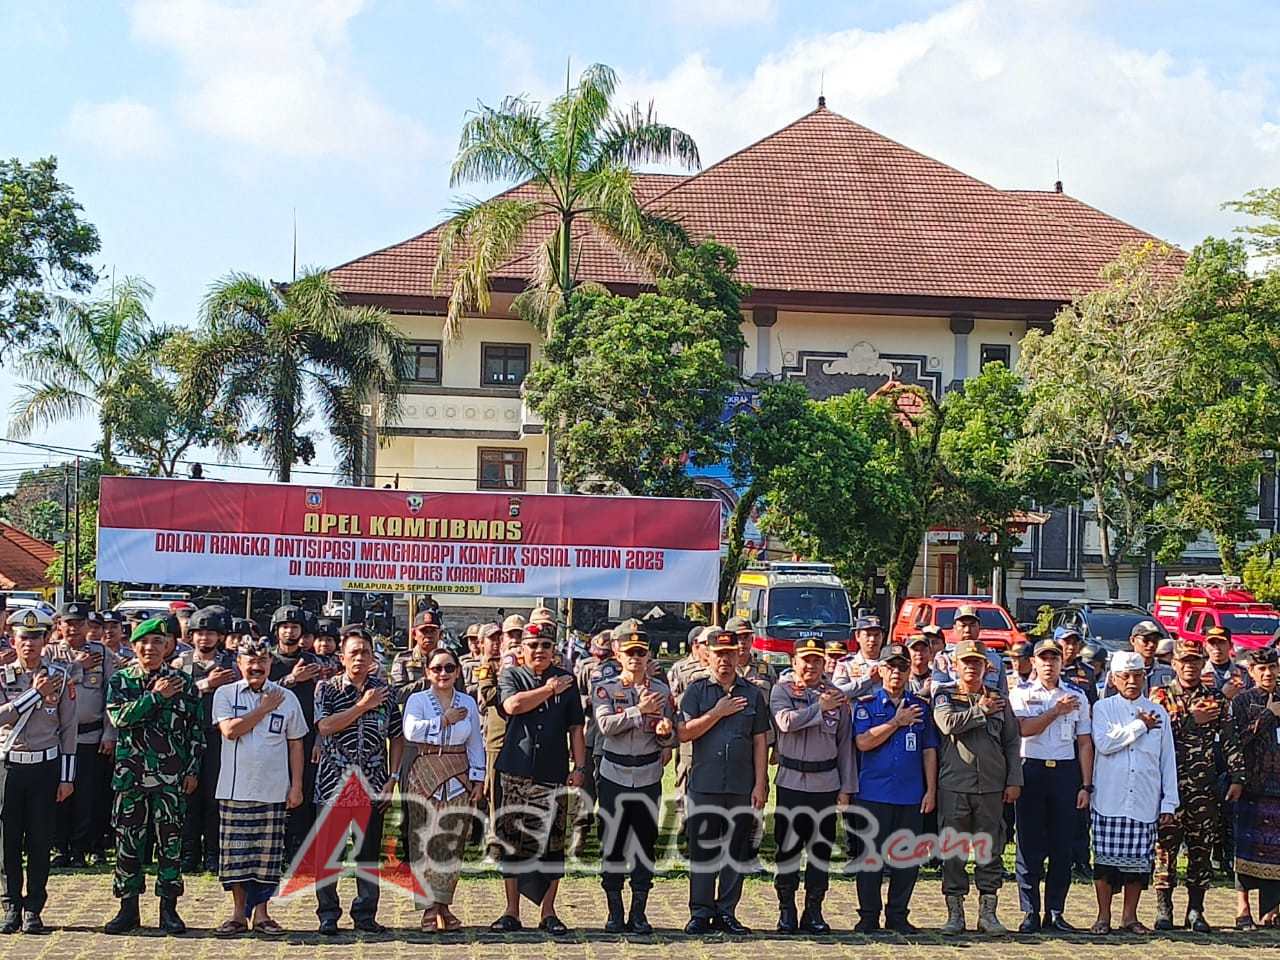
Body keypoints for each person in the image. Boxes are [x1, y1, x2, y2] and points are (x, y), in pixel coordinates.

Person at [104, 617, 204, 936]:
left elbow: (195, 732)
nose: (150, 648)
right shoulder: (121, 680)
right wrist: (156, 697)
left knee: (170, 845)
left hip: (170, 778)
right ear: (134, 646)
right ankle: (128, 909)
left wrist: (192, 771)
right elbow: (120, 718)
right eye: (144, 643)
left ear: (168, 646)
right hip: (131, 776)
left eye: (158, 642)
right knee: (128, 844)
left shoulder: (183, 683)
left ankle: (169, 909)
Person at [490, 621, 585, 935]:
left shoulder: (567, 681)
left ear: (553, 649)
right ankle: (511, 911)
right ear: (521, 650)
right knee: (512, 842)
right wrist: (548, 690)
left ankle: (548, 912)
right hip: (516, 769)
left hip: (553, 771)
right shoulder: (512, 676)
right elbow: (512, 705)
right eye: (532, 645)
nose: (539, 650)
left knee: (553, 843)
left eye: (545, 645)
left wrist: (580, 768)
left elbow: (576, 727)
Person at [210, 637, 306, 937]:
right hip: (235, 790)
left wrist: (296, 786)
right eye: (250, 661)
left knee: (267, 859)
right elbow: (230, 730)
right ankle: (238, 915)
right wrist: (263, 709)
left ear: (270, 663)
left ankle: (263, 915)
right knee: (236, 858)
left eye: (262, 661)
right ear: (239, 663)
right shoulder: (225, 694)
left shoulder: (286, 697)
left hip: (273, 789)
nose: (256, 666)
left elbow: (296, 744)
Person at [313, 625, 404, 935]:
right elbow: (325, 726)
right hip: (334, 785)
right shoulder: (327, 689)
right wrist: (363, 705)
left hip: (373, 785)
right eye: (354, 652)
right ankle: (328, 914)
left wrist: (393, 777)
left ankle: (366, 914)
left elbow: (397, 736)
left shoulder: (386, 691)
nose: (360, 657)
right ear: (342, 657)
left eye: (365, 652)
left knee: (367, 854)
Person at [678, 628, 770, 936]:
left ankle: (727, 911)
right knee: (703, 851)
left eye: (730, 654)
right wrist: (717, 713)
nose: (725, 660)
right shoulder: (697, 690)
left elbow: (760, 740)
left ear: (738, 656)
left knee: (736, 850)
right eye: (719, 654)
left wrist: (760, 783)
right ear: (707, 655)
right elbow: (684, 733)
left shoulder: (752, 693)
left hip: (741, 784)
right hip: (705, 783)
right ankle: (700, 912)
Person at [1150, 639, 1245, 932]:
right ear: (1173, 664)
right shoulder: (1160, 696)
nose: (1189, 666)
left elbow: (1230, 739)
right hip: (1169, 787)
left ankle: (1196, 910)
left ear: (1202, 664)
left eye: (1194, 661)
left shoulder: (1215, 698)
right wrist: (1191, 719)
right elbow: (1155, 733)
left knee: (1201, 850)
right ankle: (1164, 909)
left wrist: (1237, 777)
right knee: (1165, 849)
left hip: (1204, 787)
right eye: (1184, 661)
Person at [932, 638, 1022, 936]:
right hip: (955, 785)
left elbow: (1012, 741)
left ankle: (988, 913)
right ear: (955, 666)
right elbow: (947, 724)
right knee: (953, 851)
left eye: (977, 662)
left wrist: (1014, 779)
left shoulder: (999, 698)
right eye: (966, 662)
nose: (971, 667)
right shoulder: (945, 696)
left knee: (990, 850)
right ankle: (955, 913)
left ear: (987, 666)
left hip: (992, 787)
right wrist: (981, 711)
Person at [593, 626, 677, 934]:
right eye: (630, 653)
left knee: (644, 844)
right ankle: (614, 912)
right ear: (618, 655)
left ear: (649, 655)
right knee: (612, 843)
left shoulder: (662, 691)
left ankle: (638, 913)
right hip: (614, 774)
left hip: (647, 775)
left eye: (641, 653)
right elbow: (605, 725)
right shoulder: (605, 688)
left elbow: (670, 737)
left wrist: (666, 734)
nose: (635, 658)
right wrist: (639, 711)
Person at [1089, 651, 1179, 936]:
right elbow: (1105, 744)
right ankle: (1103, 916)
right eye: (1125, 676)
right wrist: (1141, 726)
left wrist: (1169, 801)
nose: (1132, 681)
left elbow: (1167, 759)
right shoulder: (1103, 708)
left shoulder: (1157, 711)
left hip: (1144, 798)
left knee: (1138, 865)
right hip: (1109, 797)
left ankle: (1129, 917)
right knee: (1105, 862)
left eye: (1138, 676)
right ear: (1114, 679)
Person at [770, 637, 855, 934]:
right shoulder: (782, 690)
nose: (811, 665)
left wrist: (846, 787)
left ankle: (814, 910)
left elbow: (845, 745)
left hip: (825, 783)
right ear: (794, 662)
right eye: (805, 660)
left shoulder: (836, 697)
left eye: (817, 660)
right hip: (791, 781)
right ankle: (786, 909)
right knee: (788, 848)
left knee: (820, 850)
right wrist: (819, 707)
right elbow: (786, 722)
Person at [1008, 636, 1094, 933]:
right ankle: (1030, 911)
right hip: (1031, 770)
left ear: (1061, 663)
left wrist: (1086, 785)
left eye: (1054, 658)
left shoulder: (1076, 695)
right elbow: (1024, 729)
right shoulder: (1021, 693)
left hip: (1065, 773)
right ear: (1033, 662)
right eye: (1043, 659)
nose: (1049, 664)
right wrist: (1056, 711)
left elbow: (1084, 742)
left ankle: (1056, 911)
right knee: (1029, 844)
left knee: (1062, 845)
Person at [853, 641, 937, 934]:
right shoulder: (867, 705)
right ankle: (868, 916)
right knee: (870, 858)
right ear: (880, 669)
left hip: (910, 793)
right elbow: (863, 742)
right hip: (873, 793)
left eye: (902, 667)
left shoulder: (920, 707)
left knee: (906, 861)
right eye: (891, 666)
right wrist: (896, 722)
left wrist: (931, 789)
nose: (896, 672)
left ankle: (898, 915)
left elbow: (929, 750)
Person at [0, 610, 76, 934]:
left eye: (35, 637)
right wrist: (35, 694)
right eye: (23, 638)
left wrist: (67, 777)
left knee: (40, 840)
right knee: (7, 841)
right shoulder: (3, 676)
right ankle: (10, 905)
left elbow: (68, 730)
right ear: (13, 641)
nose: (29, 644)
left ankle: (34, 908)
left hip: (45, 767)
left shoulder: (60, 677)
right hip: (9, 767)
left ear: (45, 640)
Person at [402, 646, 485, 932]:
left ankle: (444, 905)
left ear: (458, 671)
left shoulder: (468, 702)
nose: (443, 673)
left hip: (458, 775)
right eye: (437, 668)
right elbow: (411, 731)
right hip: (425, 772)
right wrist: (443, 720)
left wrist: (479, 779)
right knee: (423, 840)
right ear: (427, 672)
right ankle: (428, 908)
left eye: (449, 667)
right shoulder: (417, 699)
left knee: (452, 842)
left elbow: (475, 743)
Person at [48, 600, 116, 868]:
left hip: (90, 737)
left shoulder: (101, 652)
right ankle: (59, 848)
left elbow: (112, 695)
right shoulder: (50, 652)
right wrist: (77, 667)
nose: (73, 628)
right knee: (59, 794)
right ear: (59, 625)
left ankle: (80, 849)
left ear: (88, 625)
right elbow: (49, 685)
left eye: (79, 623)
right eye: (68, 623)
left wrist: (110, 733)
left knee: (87, 796)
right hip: (58, 738)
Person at [178, 605, 239, 874]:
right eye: (199, 633)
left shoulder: (232, 663)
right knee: (189, 798)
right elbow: (175, 692)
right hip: (187, 736)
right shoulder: (182, 662)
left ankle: (213, 853)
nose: (204, 638)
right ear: (191, 636)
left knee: (216, 798)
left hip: (219, 738)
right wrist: (206, 684)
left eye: (210, 633)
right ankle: (189, 853)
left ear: (220, 636)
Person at [268, 604, 322, 864]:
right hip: (272, 736)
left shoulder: (315, 662)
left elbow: (324, 702)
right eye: (285, 627)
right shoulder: (268, 660)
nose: (289, 632)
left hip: (307, 736)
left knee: (304, 791)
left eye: (295, 627)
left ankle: (300, 851)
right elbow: (260, 694)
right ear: (276, 630)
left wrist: (320, 738)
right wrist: (291, 679)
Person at [1230, 646, 1280, 929]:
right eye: (1261, 668)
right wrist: (1268, 715)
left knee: (1277, 851)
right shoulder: (1242, 701)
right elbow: (1236, 740)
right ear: (1250, 671)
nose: (1268, 673)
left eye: (1272, 667)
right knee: (1246, 848)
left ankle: (1273, 909)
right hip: (1252, 786)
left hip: (1279, 787)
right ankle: (1243, 908)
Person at [571, 627, 618, 854]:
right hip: (590, 734)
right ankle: (580, 832)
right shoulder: (586, 667)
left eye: (605, 654)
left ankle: (607, 836)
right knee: (585, 789)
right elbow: (576, 695)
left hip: (615, 737)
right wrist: (590, 700)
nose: (601, 658)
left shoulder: (623, 667)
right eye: (598, 653)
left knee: (608, 789)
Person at [668, 626, 710, 829]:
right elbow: (671, 699)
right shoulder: (681, 668)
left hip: (717, 733)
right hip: (689, 730)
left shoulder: (728, 669)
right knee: (685, 774)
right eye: (706, 643)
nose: (710, 648)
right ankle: (685, 822)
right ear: (696, 645)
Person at [474, 621, 508, 860]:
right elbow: (487, 697)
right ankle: (494, 844)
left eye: (500, 638)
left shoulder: (525, 665)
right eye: (492, 638)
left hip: (522, 738)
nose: (497, 643)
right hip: (494, 737)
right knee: (493, 792)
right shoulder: (490, 667)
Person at [933, 606, 1008, 695]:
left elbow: (1003, 694)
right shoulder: (945, 658)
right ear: (955, 628)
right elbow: (936, 691)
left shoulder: (994, 659)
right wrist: (970, 680)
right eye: (963, 625)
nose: (967, 630)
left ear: (979, 628)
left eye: (972, 625)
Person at [1106, 621, 1173, 696]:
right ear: (1132, 640)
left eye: (1155, 640)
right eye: (1145, 640)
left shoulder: (1168, 671)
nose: (1151, 644)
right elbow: (1109, 697)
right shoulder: (1120, 671)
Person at [833, 615, 886, 697]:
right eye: (868, 635)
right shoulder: (847, 664)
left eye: (877, 635)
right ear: (857, 636)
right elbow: (836, 692)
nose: (872, 639)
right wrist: (868, 680)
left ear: (883, 636)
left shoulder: (890, 663)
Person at [1202, 626, 1251, 698]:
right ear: (1205, 646)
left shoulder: (1244, 673)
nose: (1217, 647)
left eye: (1221, 643)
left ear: (1230, 645)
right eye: (1212, 643)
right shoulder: (1200, 672)